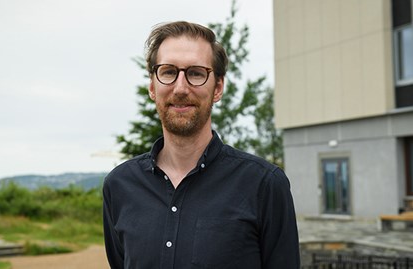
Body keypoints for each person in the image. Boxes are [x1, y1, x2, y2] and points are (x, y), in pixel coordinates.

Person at [103, 21, 300, 269]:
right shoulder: (119, 185)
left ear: (217, 87)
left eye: (196, 73)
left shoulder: (264, 185)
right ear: (153, 86)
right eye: (168, 72)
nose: (181, 88)